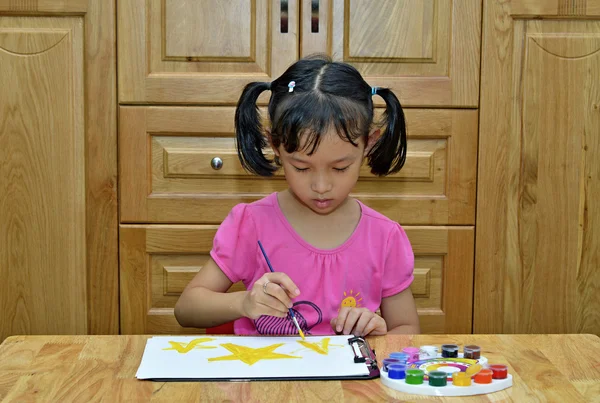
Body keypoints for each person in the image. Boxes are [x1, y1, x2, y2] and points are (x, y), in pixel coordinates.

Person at [175, 54, 420, 336]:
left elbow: (406, 327)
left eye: (340, 167)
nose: (321, 185)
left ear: (369, 144)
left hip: (347, 381)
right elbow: (186, 309)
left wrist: (380, 330)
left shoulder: (384, 236)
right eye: (301, 167)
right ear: (275, 146)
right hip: (267, 379)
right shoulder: (250, 223)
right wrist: (244, 302)